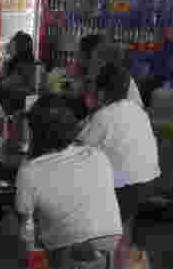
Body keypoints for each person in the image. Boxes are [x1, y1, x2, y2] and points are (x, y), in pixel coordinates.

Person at [16, 94, 123, 255]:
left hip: (65, 253)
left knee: (18, 223)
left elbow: (25, 220)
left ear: (35, 133)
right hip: (110, 244)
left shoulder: (29, 171)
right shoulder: (97, 155)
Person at [78, 63, 161, 224]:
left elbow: (80, 147)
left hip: (125, 190)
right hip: (149, 183)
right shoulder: (138, 111)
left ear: (100, 92)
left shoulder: (104, 115)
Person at [77, 34, 143, 108]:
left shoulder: (113, 76)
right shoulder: (102, 71)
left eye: (80, 53)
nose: (78, 58)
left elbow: (94, 106)